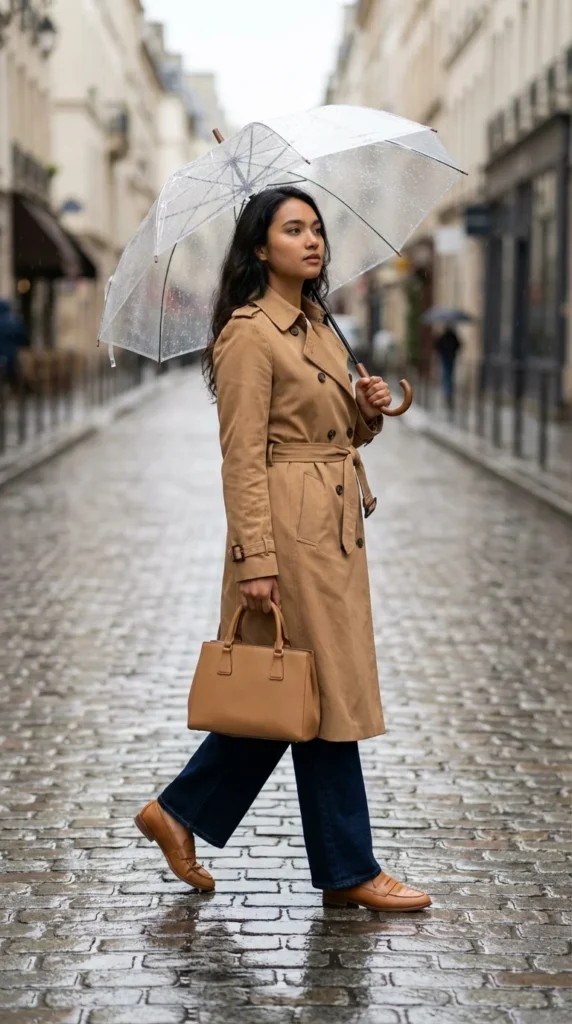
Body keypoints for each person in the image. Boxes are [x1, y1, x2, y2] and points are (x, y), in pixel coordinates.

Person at [135, 186, 431, 912]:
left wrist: (366, 415)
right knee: (319, 690)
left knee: (305, 692)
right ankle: (350, 867)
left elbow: (338, 435)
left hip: (333, 525)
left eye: (317, 229)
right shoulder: (247, 332)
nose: (312, 240)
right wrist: (257, 560)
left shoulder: (321, 323)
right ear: (260, 247)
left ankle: (180, 813)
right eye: (293, 229)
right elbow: (241, 457)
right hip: (291, 533)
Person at [434, 324, 462, 408]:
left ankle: (447, 392)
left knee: (445, 375)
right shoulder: (453, 336)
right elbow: (459, 345)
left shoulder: (443, 336)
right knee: (449, 375)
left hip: (445, 358)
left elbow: (437, 346)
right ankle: (448, 392)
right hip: (451, 358)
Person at [0, 299, 26, 390]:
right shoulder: (14, 321)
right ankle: (16, 388)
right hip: (10, 354)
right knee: (15, 371)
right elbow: (22, 337)